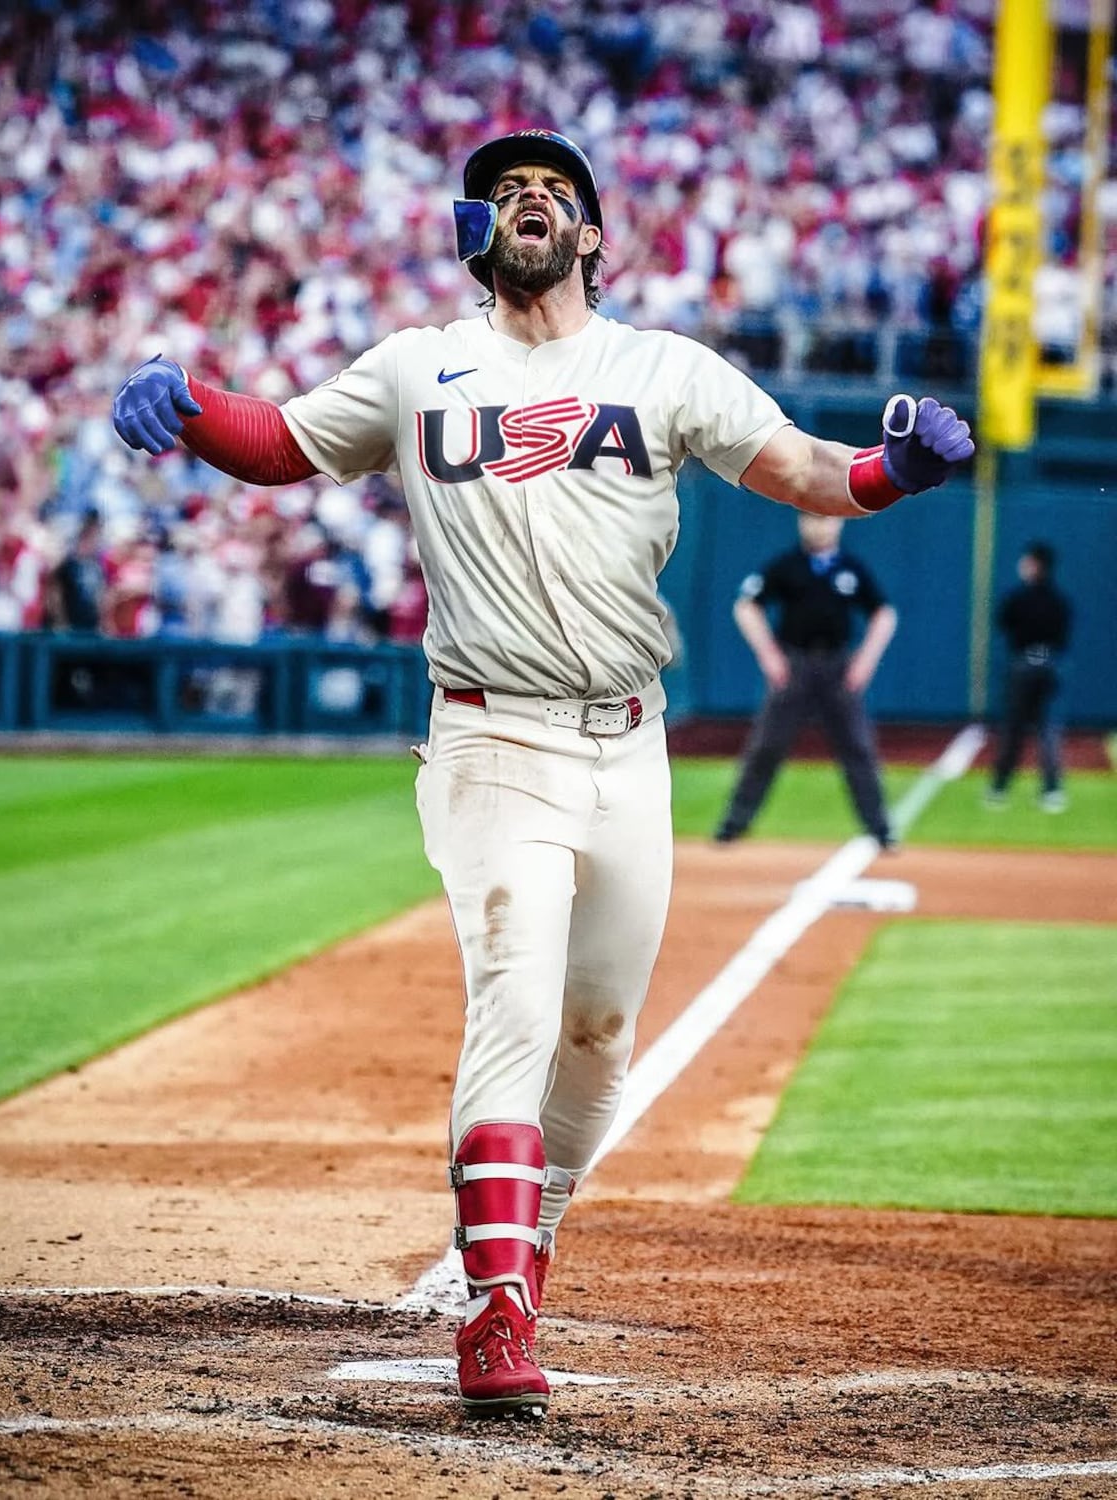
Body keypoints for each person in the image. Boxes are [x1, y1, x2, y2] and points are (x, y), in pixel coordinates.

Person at [111, 129, 974, 1420]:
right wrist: (185, 403)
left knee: (600, 1040)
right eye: (504, 190)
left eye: (551, 192)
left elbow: (799, 468)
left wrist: (894, 469)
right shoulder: (417, 366)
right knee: (514, 1005)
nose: (528, 200)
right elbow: (284, 441)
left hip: (630, 744)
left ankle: (530, 1243)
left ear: (591, 234)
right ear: (478, 231)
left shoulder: (661, 368)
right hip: (490, 737)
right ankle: (498, 1309)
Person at [713, 512, 899, 848]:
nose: (820, 525)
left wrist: (865, 661)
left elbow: (884, 613)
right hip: (794, 665)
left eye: (827, 519)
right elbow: (746, 606)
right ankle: (734, 823)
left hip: (838, 667)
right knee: (766, 747)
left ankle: (880, 828)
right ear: (800, 521)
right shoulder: (787, 565)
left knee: (858, 747)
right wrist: (768, 654)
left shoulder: (850, 568)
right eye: (813, 518)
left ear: (840, 523)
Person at [985, 541, 1072, 812]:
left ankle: (999, 788)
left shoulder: (1019, 597)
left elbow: (1003, 622)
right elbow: (1062, 637)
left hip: (1022, 665)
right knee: (1047, 729)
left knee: (1014, 727)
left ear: (1036, 565)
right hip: (1049, 665)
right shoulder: (1059, 601)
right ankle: (1052, 790)